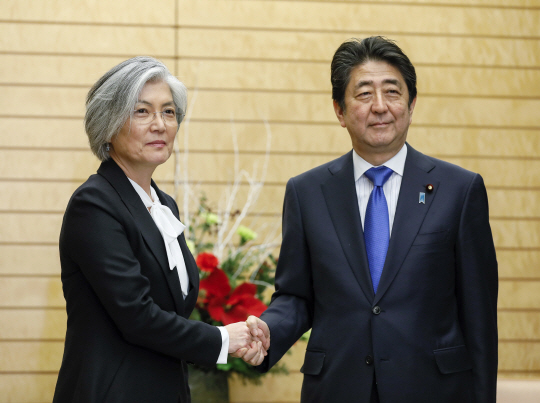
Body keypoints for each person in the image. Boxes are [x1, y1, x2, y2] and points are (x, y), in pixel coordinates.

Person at [246, 36, 498, 402]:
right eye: (364, 94)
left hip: (434, 389)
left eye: (392, 92)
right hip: (338, 388)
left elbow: (479, 316)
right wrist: (269, 331)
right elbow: (297, 296)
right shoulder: (307, 192)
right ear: (339, 110)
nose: (380, 106)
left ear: (411, 104)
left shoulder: (459, 190)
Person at [53, 56, 265, 403]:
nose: (160, 124)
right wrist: (224, 340)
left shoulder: (164, 205)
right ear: (109, 124)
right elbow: (137, 315)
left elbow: (172, 310)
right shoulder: (93, 204)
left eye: (168, 112)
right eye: (142, 112)